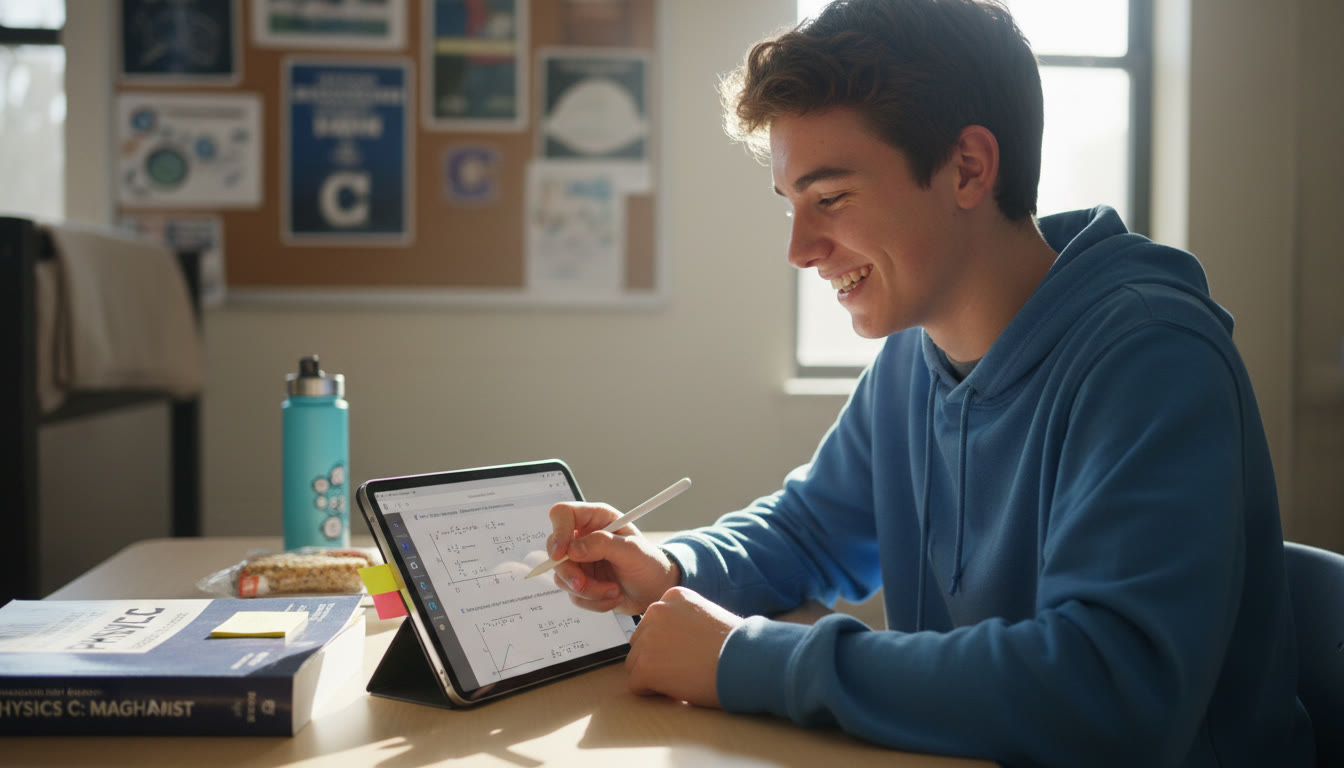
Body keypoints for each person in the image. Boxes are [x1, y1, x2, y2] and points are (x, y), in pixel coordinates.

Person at [543, 1, 1315, 765]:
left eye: (831, 198)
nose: (801, 248)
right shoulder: (915, 355)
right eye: (791, 204)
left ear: (969, 168)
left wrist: (746, 659)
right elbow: (810, 533)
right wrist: (672, 566)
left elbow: (1107, 693)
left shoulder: (1150, 357)